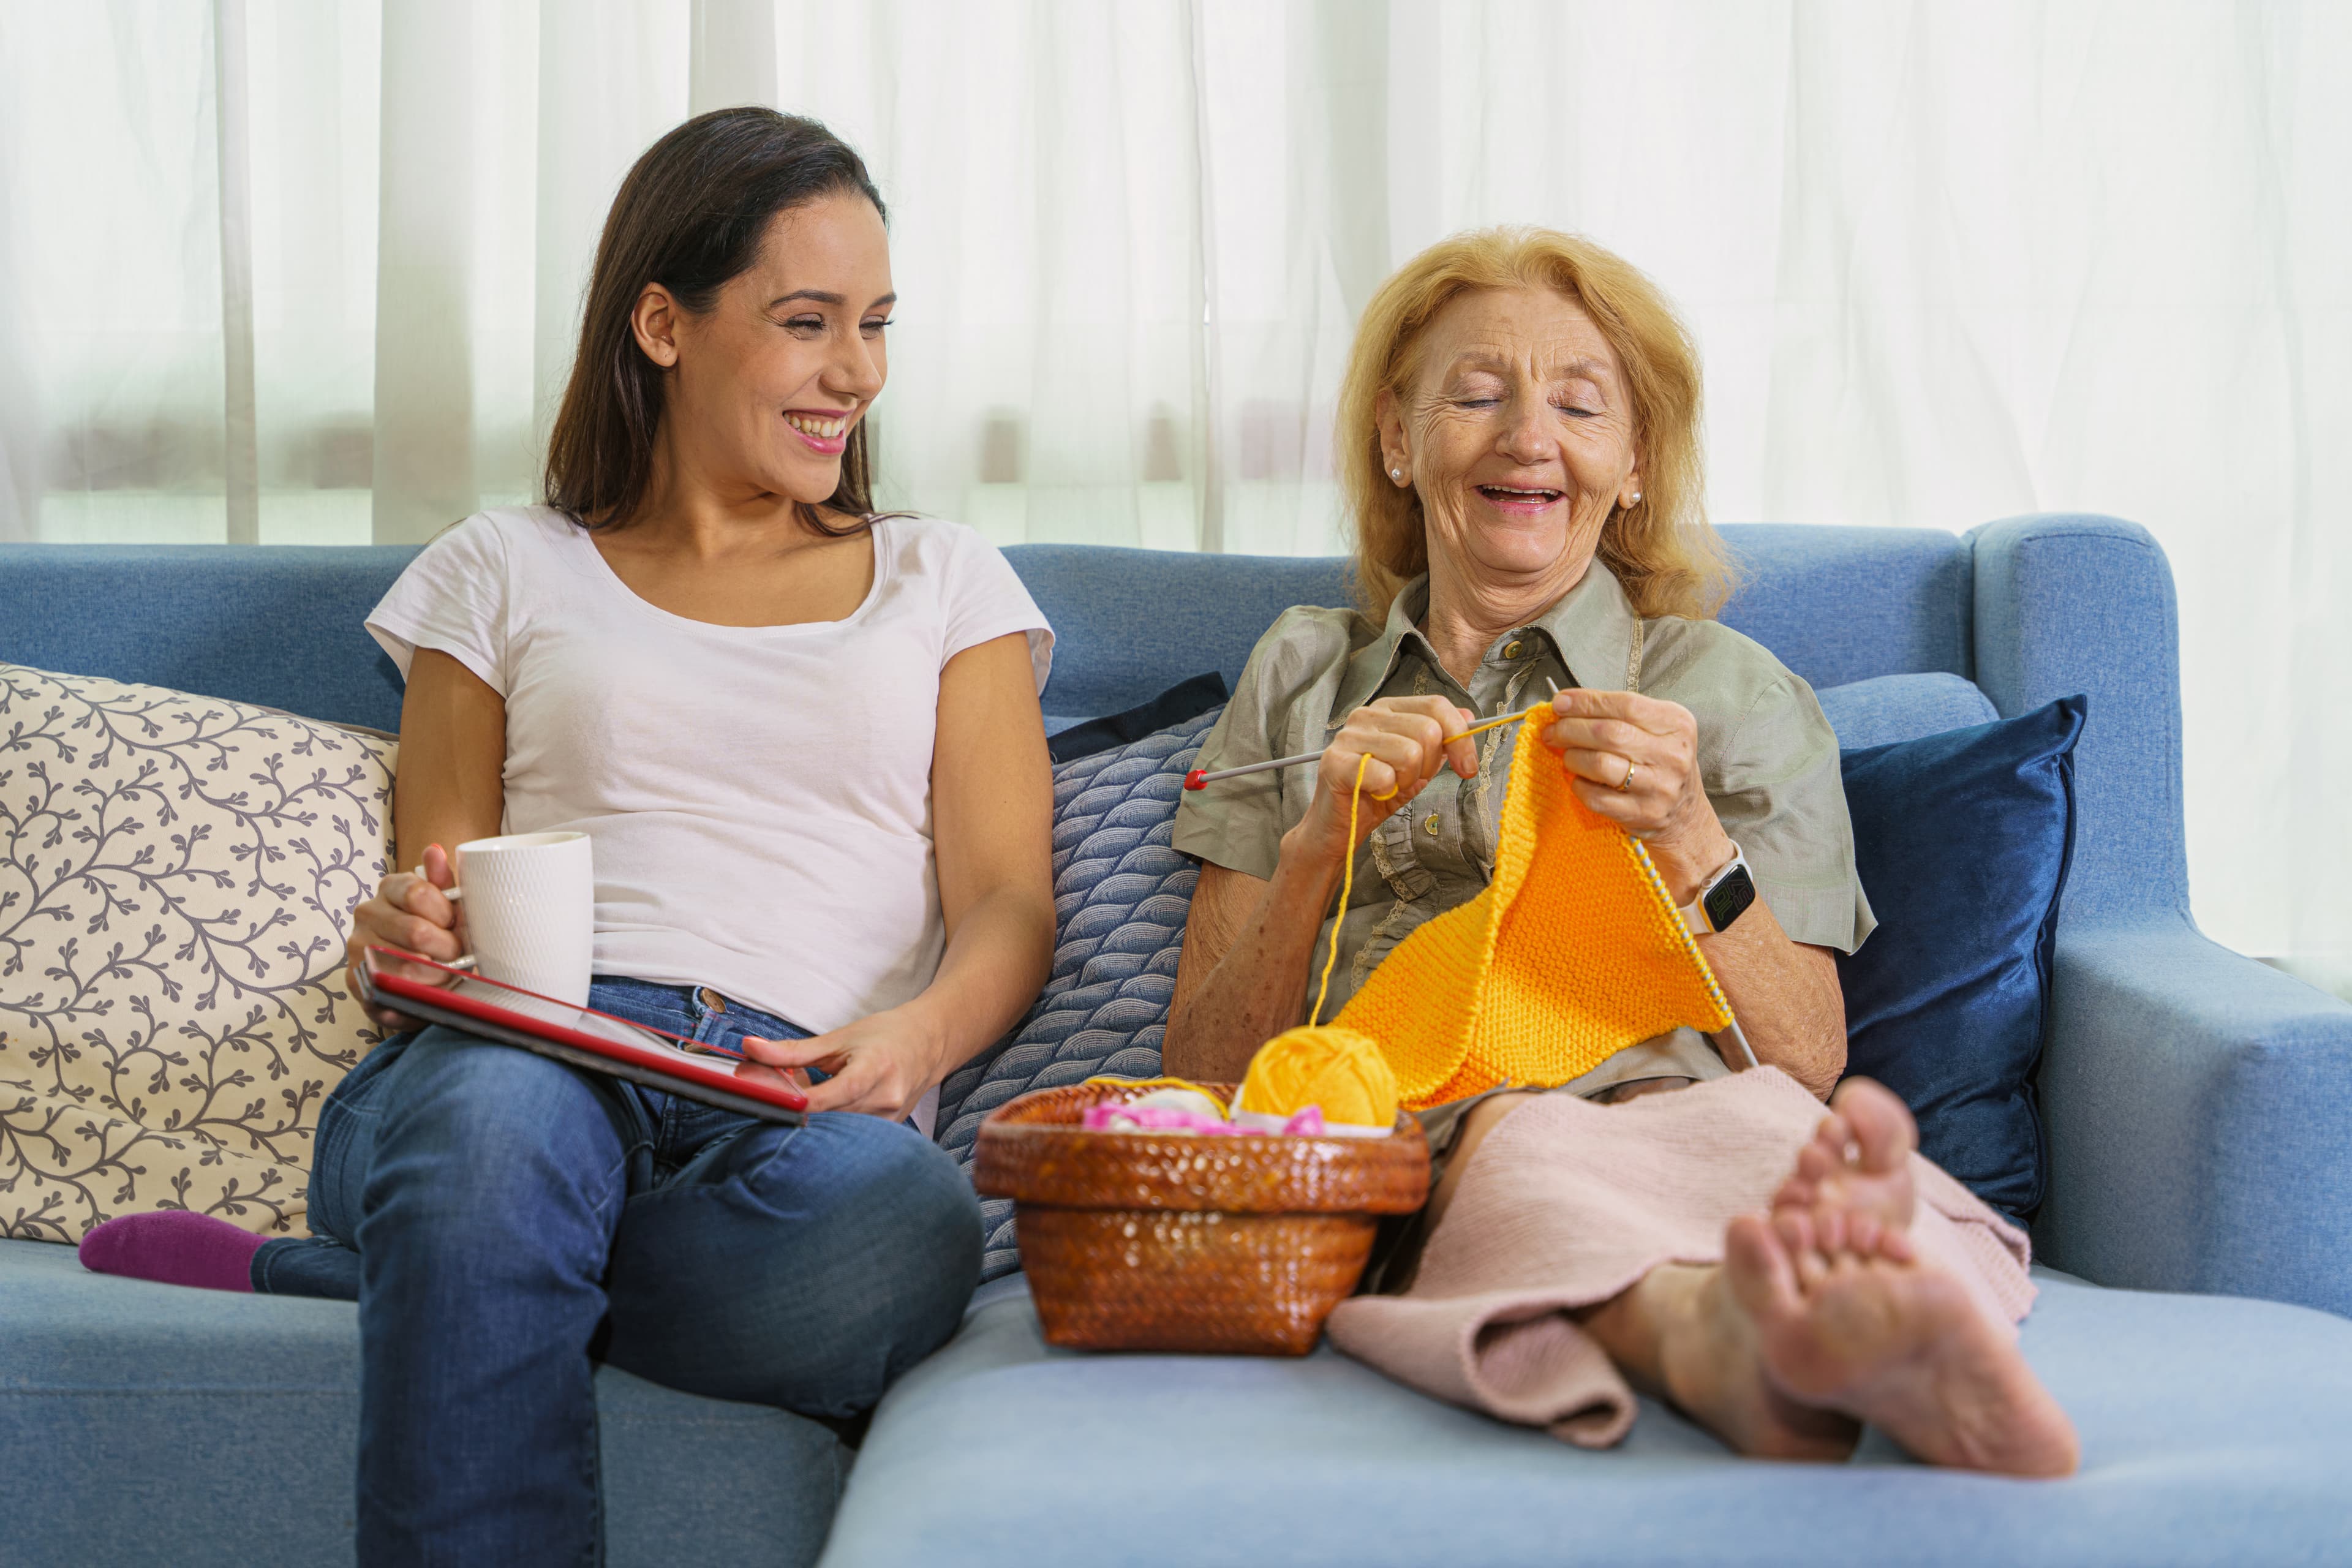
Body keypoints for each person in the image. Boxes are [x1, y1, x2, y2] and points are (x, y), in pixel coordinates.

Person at [78, 108, 1057, 1561]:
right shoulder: (500, 569)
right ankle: (459, 1243)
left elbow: (1006, 906)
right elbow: (445, 880)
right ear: (663, 323)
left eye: (876, 323)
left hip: (786, 1098)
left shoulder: (942, 579)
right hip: (527, 1056)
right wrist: (399, 935)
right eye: (807, 322)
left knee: (906, 1233)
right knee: (490, 1136)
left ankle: (409, 1276)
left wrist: (916, 1040)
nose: (857, 371)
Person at [1163, 226, 2077, 1476]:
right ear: (1396, 438)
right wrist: (1322, 843)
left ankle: (1859, 1318)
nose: (1527, 436)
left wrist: (1691, 832)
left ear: (1633, 460)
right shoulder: (1304, 671)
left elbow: (1805, 1056)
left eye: (1580, 405)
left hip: (1689, 1106)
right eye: (1476, 394)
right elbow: (1202, 1082)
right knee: (1530, 1143)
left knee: (1757, 1136)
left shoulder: (1731, 691)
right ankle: (1753, 1338)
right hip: (1442, 1124)